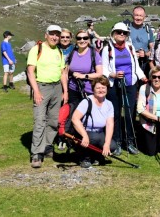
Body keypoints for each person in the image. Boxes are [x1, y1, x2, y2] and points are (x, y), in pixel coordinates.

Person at [26, 25, 68, 168]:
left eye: (57, 35)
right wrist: (36, 91)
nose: (55, 37)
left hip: (57, 88)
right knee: (39, 120)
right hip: (42, 87)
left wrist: (65, 91)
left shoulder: (59, 51)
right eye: (52, 34)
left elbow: (63, 72)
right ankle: (36, 153)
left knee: (54, 120)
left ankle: (48, 146)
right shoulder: (36, 49)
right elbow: (30, 71)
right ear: (46, 35)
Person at [102, 22, 146, 156]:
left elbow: (136, 66)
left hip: (130, 84)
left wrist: (143, 77)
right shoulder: (107, 49)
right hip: (114, 85)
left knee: (129, 113)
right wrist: (112, 74)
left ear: (127, 35)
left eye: (124, 33)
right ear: (113, 34)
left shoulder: (131, 48)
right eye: (119, 32)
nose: (121, 34)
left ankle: (130, 142)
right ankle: (117, 142)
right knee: (115, 114)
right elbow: (104, 68)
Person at [71, 77, 116, 169]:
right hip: (85, 132)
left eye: (103, 88)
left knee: (112, 145)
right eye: (98, 88)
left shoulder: (109, 104)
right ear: (93, 90)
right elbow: (75, 119)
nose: (101, 90)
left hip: (99, 132)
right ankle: (85, 158)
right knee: (94, 138)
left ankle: (95, 156)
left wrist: (107, 144)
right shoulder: (86, 101)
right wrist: (84, 135)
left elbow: (110, 124)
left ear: (107, 89)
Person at [67, 29, 103, 111]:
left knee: (87, 115)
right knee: (73, 115)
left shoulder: (94, 54)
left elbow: (99, 74)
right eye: (79, 38)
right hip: (72, 89)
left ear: (89, 40)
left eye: (85, 38)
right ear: (76, 40)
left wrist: (83, 76)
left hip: (88, 90)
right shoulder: (73, 53)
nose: (82, 40)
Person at [128, 6, 154, 75]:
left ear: (144, 17)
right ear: (132, 16)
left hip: (144, 64)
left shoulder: (148, 30)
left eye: (141, 16)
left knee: (144, 84)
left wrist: (145, 54)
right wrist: (131, 54)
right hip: (129, 64)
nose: (138, 18)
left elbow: (152, 48)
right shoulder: (126, 29)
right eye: (136, 15)